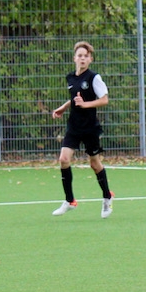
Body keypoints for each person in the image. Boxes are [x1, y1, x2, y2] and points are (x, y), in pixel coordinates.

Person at [51, 41, 115, 218]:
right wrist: (63, 108)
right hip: (74, 126)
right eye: (80, 56)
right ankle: (69, 201)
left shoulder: (94, 78)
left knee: (94, 164)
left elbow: (104, 100)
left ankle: (107, 196)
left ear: (90, 59)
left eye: (86, 56)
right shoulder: (71, 78)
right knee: (64, 159)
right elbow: (74, 98)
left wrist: (85, 104)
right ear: (74, 58)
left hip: (90, 128)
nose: (82, 59)